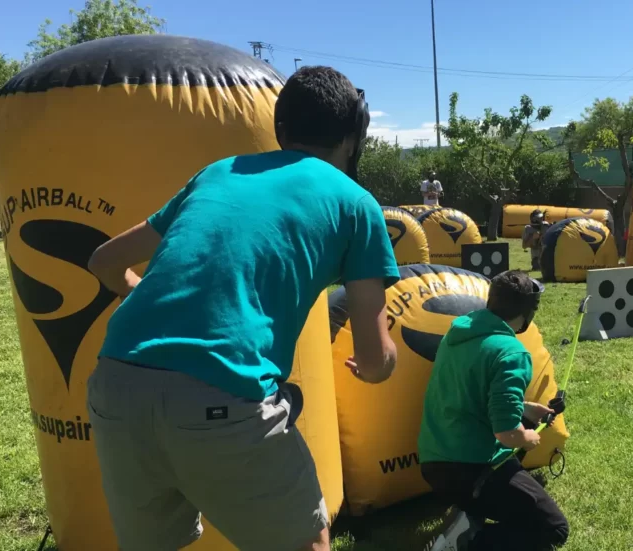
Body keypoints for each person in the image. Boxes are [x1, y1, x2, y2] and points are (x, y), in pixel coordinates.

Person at [85, 66, 400, 551]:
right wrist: (382, 365)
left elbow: (104, 261)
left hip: (115, 384)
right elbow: (375, 361)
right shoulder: (356, 204)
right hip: (222, 396)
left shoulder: (218, 172)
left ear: (281, 128)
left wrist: (146, 296)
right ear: (354, 136)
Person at [418, 270, 569, 551]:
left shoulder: (459, 330)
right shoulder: (512, 352)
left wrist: (526, 409)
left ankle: (468, 515)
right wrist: (529, 438)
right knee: (554, 530)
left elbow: (471, 392)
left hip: (435, 465)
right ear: (528, 311)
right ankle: (469, 541)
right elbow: (508, 434)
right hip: (472, 471)